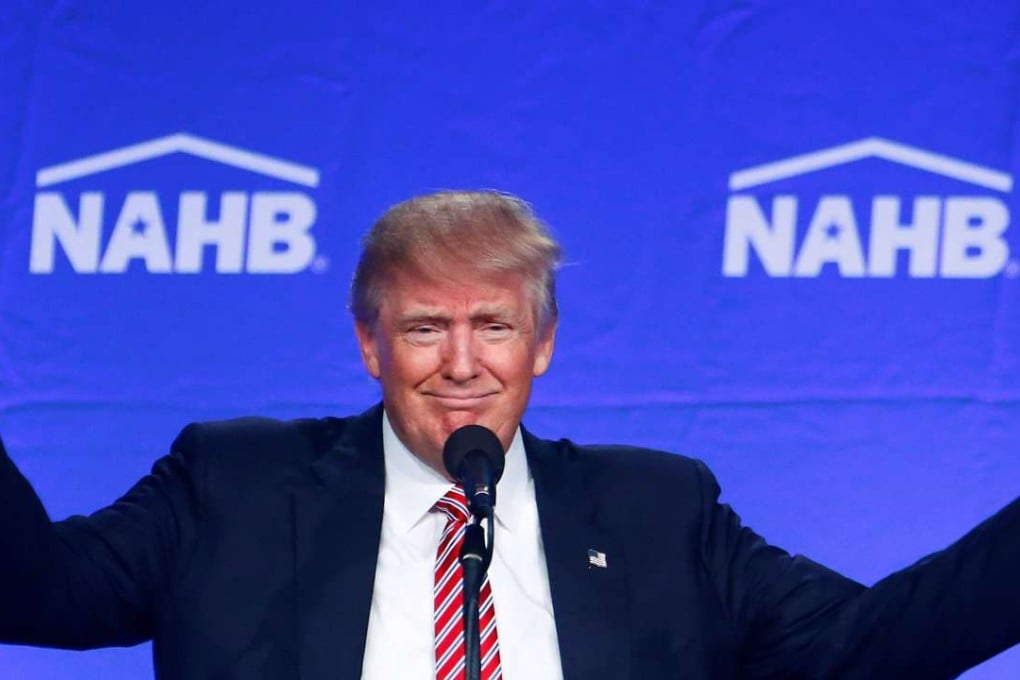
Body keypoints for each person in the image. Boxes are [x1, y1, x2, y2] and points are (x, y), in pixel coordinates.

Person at [0, 190, 1018, 679]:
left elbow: (871, 642)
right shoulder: (232, 482)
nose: (460, 362)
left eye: (494, 324)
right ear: (368, 343)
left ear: (542, 345)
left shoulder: (657, 508)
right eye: (424, 326)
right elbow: (34, 588)